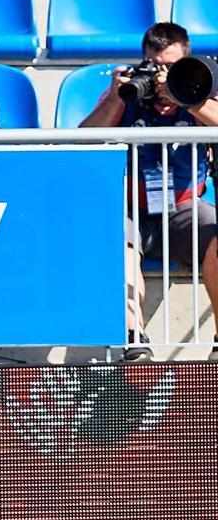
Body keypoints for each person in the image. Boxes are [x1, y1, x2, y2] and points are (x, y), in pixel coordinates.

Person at [80, 22, 218, 361]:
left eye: (170, 68)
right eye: (155, 66)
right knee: (120, 249)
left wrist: (186, 97)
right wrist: (116, 97)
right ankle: (133, 338)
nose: (160, 76)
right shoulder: (128, 94)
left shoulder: (198, 91)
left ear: (185, 63)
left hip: (185, 207)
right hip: (131, 207)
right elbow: (84, 137)